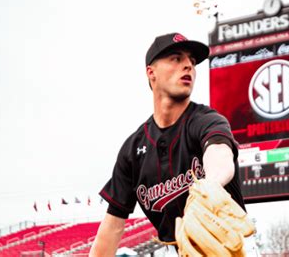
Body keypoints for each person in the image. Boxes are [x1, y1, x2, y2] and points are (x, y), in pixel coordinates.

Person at [90, 32, 246, 256]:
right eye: (176, 58)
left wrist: (209, 187)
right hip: (176, 251)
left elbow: (219, 154)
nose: (188, 67)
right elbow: (112, 227)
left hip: (228, 247)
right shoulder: (133, 150)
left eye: (192, 62)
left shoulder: (206, 120)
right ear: (151, 73)